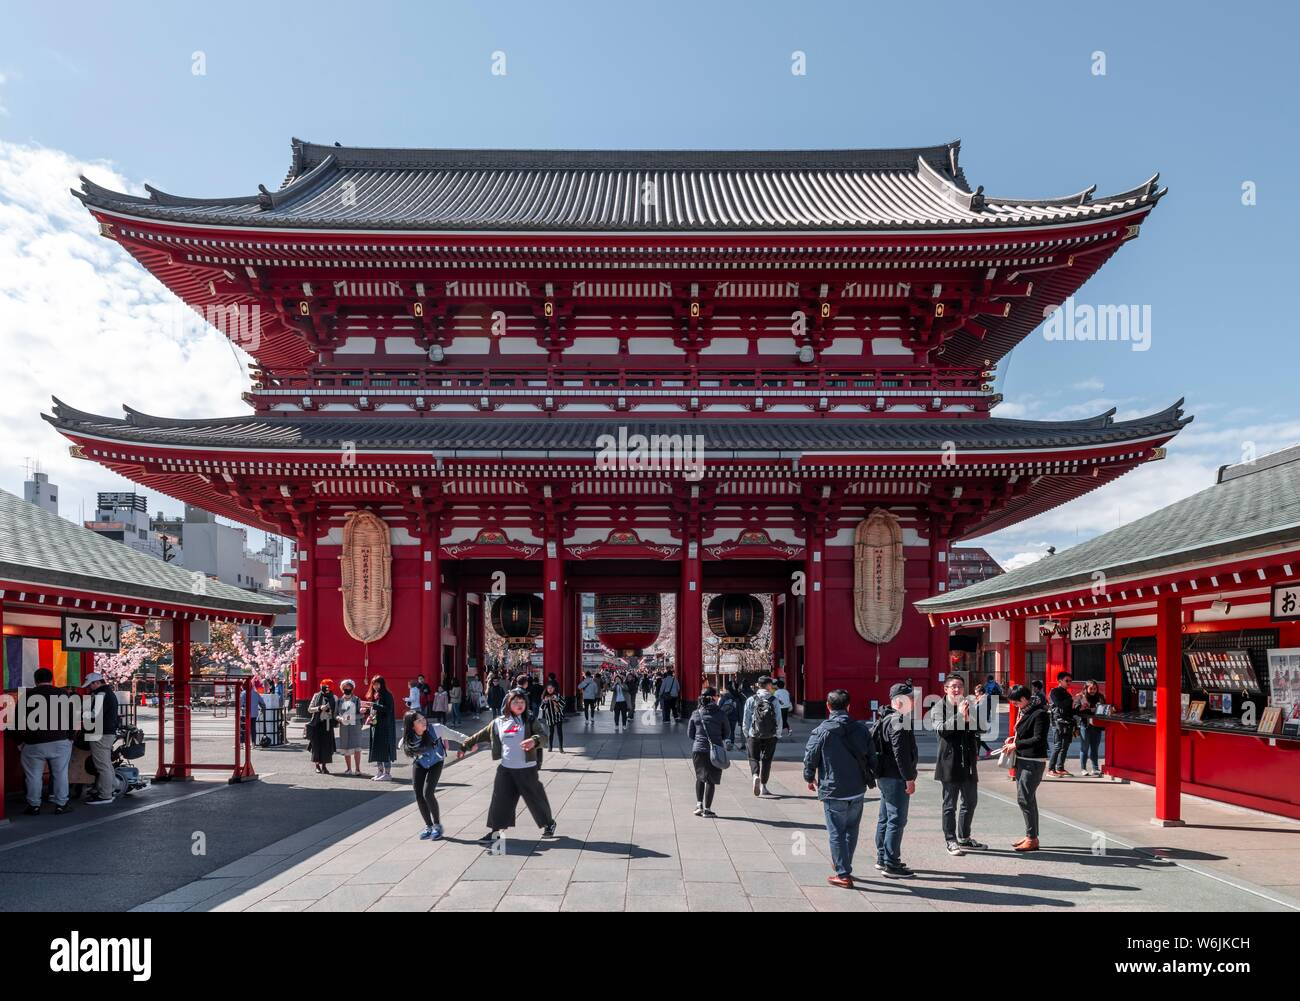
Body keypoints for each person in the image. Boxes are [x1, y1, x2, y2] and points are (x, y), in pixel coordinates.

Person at [458, 689, 557, 844]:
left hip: (527, 768)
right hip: (506, 769)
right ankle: (495, 832)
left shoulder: (529, 720)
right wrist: (465, 746)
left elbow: (544, 736)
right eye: (515, 702)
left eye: (522, 702)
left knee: (535, 799)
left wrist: (534, 740)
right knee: (499, 800)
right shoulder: (498, 722)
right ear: (508, 703)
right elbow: (480, 735)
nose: (519, 705)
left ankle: (549, 824)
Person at [803, 688, 876, 888]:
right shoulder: (861, 729)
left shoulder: (822, 731)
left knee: (836, 831)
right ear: (849, 706)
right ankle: (845, 863)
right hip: (857, 788)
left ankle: (843, 873)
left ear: (828, 706)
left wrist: (809, 777)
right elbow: (872, 755)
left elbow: (810, 756)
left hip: (833, 788)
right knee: (851, 830)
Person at [928, 675, 986, 856]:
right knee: (949, 804)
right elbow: (942, 730)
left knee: (970, 801)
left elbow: (982, 727)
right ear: (945, 689)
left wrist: (971, 718)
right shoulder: (938, 708)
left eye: (960, 686)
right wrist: (960, 715)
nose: (957, 690)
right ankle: (950, 839)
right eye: (953, 686)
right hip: (949, 761)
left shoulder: (969, 705)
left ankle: (964, 837)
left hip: (968, 760)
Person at [402, 710, 469, 840]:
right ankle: (428, 826)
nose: (423, 722)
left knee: (428, 793)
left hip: (436, 762)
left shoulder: (437, 729)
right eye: (419, 721)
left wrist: (469, 743)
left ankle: (437, 826)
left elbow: (457, 735)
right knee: (418, 794)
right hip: (420, 763)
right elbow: (402, 746)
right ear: (412, 725)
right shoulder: (408, 738)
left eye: (423, 718)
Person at [997, 684, 1050, 851]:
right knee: (1027, 798)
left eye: (1015, 702)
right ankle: (1031, 835)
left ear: (1024, 698)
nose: (1014, 705)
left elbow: (1038, 739)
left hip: (1033, 761)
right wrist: (1014, 739)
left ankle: (1032, 838)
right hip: (1023, 759)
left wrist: (1016, 744)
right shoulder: (1026, 710)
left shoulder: (1039, 713)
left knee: (1024, 799)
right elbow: (1026, 734)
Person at [873, 682, 918, 878]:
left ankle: (883, 857)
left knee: (885, 818)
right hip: (895, 777)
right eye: (911, 698)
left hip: (884, 775)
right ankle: (891, 863)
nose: (915, 702)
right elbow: (901, 753)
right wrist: (909, 777)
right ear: (900, 701)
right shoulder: (900, 720)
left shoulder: (885, 717)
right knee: (896, 820)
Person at [18, 667, 74, 815]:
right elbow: (72, 718)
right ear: (52, 679)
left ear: (35, 680)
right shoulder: (63, 694)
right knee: (61, 773)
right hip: (60, 741)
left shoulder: (27, 696)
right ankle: (61, 804)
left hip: (34, 742)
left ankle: (34, 805)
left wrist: (19, 741)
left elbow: (16, 721)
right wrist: (70, 738)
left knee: (33, 775)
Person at [688, 686, 732, 817]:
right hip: (715, 750)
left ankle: (698, 805)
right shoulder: (720, 713)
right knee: (711, 780)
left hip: (698, 749)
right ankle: (707, 809)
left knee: (700, 777)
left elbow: (690, 734)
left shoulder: (696, 713)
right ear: (714, 698)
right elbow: (727, 733)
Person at [82, 672, 120, 805]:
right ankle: (111, 789)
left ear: (97, 683)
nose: (89, 688)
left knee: (102, 765)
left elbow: (94, 714)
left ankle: (105, 795)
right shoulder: (108, 693)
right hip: (107, 732)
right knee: (107, 764)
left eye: (90, 685)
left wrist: (81, 713)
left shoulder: (101, 694)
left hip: (100, 732)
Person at [743, 675, 784, 796]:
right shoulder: (774, 700)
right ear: (769, 686)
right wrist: (778, 734)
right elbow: (778, 719)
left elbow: (746, 719)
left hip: (754, 734)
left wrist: (747, 733)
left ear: (758, 685)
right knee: (767, 760)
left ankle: (755, 775)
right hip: (770, 735)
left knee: (753, 758)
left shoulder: (751, 699)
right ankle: (764, 786)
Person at [365, 675, 397, 781]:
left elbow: (388, 709)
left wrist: (373, 705)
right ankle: (380, 772)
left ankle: (387, 773)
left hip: (385, 727)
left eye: (377, 684)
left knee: (384, 750)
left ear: (382, 684)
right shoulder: (375, 695)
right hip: (375, 725)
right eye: (373, 684)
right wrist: (367, 711)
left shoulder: (387, 695)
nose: (375, 686)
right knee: (377, 749)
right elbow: (374, 710)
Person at [1048, 671, 1076, 777]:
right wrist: (1071, 699)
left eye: (1070, 681)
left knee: (1065, 746)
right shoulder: (1054, 692)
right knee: (1058, 745)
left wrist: (1079, 708)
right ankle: (1051, 769)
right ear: (1060, 681)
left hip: (1067, 722)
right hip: (1058, 722)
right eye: (1067, 680)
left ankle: (1060, 767)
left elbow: (1069, 710)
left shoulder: (1067, 693)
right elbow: (1060, 705)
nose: (1069, 682)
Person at [307, 679, 337, 774]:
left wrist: (330, 711)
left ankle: (324, 765)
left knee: (326, 745)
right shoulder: (316, 696)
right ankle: (317, 765)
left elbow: (336, 712)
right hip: (316, 723)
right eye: (323, 686)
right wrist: (319, 708)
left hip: (327, 724)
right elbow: (309, 709)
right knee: (316, 745)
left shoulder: (334, 698)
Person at [335, 679, 365, 775]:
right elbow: (335, 714)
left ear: (352, 689)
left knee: (357, 748)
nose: (347, 690)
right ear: (342, 689)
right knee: (346, 748)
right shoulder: (339, 701)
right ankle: (348, 769)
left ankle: (358, 769)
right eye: (345, 688)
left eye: (349, 688)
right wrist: (340, 718)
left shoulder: (357, 700)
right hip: (344, 726)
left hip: (355, 726)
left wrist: (352, 717)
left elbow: (362, 715)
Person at [1076, 680, 1104, 775]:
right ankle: (1083, 768)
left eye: (1095, 689)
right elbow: (1077, 709)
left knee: (1095, 747)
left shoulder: (1100, 697)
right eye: (1091, 688)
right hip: (1085, 724)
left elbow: (1104, 708)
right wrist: (1084, 708)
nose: (1093, 691)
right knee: (1085, 747)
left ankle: (1095, 768)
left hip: (1097, 725)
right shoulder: (1081, 696)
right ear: (1086, 688)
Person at [540, 682, 567, 753]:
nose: (550, 690)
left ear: (554, 688)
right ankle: (550, 747)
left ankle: (561, 748)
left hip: (558, 716)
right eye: (548, 688)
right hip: (549, 717)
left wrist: (557, 699)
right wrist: (545, 701)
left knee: (559, 732)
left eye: (551, 688)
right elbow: (542, 708)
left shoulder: (557, 695)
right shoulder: (545, 696)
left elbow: (563, 704)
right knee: (550, 732)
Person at [718, 685, 742, 750]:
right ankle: (731, 743)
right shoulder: (736, 697)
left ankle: (727, 741)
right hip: (734, 717)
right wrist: (739, 719)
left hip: (725, 716)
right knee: (732, 730)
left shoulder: (724, 697)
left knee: (726, 729)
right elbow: (738, 708)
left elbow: (719, 706)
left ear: (727, 690)